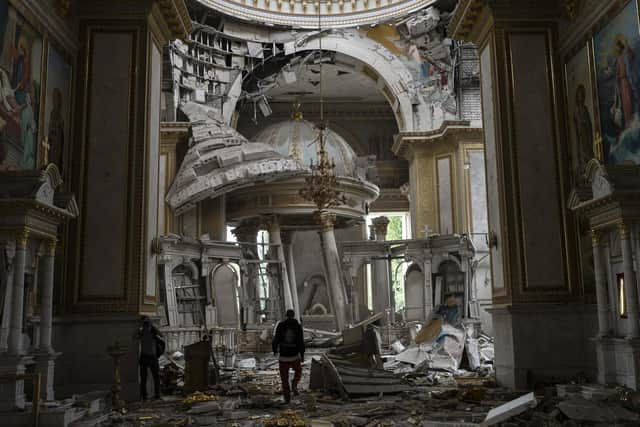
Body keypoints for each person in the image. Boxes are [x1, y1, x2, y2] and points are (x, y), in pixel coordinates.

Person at [272, 309, 305, 403]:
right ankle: (294, 384)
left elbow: (276, 339)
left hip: (283, 356)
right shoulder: (298, 326)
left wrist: (274, 350)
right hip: (294, 355)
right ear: (294, 316)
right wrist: (302, 354)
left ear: (286, 315)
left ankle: (287, 398)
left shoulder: (281, 325)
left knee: (284, 379)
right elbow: (301, 342)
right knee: (298, 371)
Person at [133, 316, 163, 400]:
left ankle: (157, 394)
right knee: (143, 378)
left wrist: (152, 325)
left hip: (152, 357)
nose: (146, 325)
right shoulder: (141, 332)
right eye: (145, 324)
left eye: (146, 324)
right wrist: (139, 326)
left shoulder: (153, 333)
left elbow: (161, 335)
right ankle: (144, 396)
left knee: (156, 377)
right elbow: (134, 337)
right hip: (144, 357)